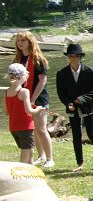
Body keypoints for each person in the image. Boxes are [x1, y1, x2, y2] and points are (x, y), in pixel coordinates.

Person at [56, 43, 93, 171]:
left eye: (76, 55)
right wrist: (68, 103)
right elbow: (61, 93)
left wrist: (82, 99)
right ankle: (80, 163)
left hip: (88, 107)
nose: (73, 58)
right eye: (71, 55)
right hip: (72, 109)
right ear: (68, 57)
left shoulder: (90, 71)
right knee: (76, 136)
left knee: (92, 134)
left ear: (80, 57)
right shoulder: (61, 73)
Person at [13, 31, 53, 167]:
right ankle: (41, 156)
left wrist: (32, 99)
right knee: (32, 129)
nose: (20, 43)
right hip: (23, 98)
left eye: (23, 40)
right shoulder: (18, 60)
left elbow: (42, 81)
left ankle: (50, 159)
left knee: (41, 128)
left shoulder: (38, 59)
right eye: (18, 40)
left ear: (30, 42)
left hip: (38, 99)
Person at [5, 63, 43, 164]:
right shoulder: (24, 91)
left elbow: (6, 112)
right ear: (22, 76)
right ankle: (20, 174)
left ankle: (30, 171)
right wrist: (38, 109)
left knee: (30, 151)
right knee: (26, 152)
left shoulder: (8, 91)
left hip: (14, 127)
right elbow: (29, 111)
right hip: (25, 127)